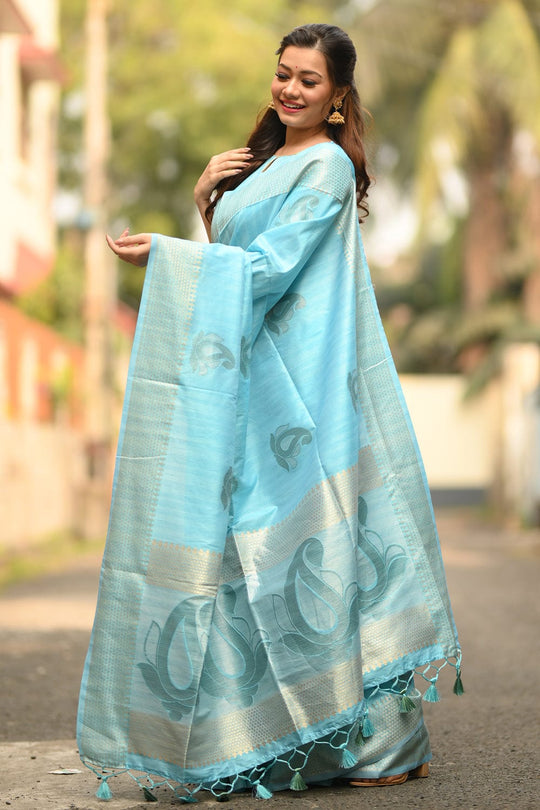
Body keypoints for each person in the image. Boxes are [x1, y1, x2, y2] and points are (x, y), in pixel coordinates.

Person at [78, 23, 462, 802]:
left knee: (309, 559)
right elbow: (238, 268)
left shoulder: (323, 165)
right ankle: (271, 738)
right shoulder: (262, 166)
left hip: (303, 389)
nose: (290, 89)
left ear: (338, 97)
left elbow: (271, 271)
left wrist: (172, 252)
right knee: (242, 560)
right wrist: (204, 205)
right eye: (284, 74)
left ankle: (379, 744)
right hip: (251, 385)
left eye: (309, 81)